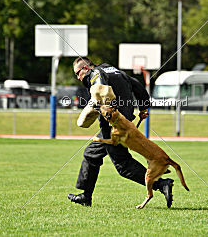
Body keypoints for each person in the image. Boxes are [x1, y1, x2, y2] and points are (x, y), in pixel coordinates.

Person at [68, 57, 174, 207]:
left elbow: (101, 88)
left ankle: (161, 184)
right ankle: (86, 195)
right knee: (92, 154)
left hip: (113, 123)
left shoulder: (95, 73)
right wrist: (143, 107)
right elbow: (136, 85)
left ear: (85, 69)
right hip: (126, 120)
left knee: (122, 165)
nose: (78, 78)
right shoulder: (113, 70)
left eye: (78, 74)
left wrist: (101, 104)